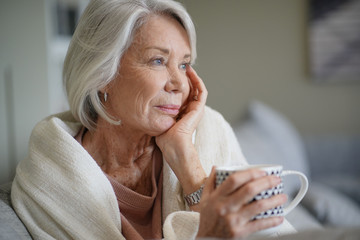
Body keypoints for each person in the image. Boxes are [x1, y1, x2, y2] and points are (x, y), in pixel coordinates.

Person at [11, 0, 295, 239]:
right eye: (158, 61)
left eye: (184, 65)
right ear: (102, 75)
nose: (180, 84)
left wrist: (187, 162)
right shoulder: (47, 178)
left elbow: (272, 232)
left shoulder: (210, 131)